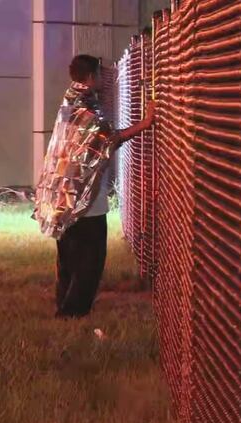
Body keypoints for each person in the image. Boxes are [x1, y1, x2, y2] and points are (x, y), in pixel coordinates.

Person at [34, 54, 155, 318]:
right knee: (90, 261)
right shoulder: (87, 109)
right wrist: (145, 124)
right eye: (100, 74)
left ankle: (64, 307)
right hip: (85, 204)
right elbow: (109, 140)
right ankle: (73, 313)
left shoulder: (69, 103)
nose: (102, 79)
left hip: (63, 199)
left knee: (67, 259)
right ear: (90, 77)